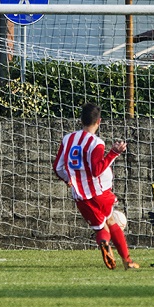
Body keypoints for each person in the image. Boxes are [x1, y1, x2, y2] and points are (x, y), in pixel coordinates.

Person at [52, 102, 139, 270]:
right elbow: (96, 170)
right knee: (112, 221)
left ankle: (104, 243)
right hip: (99, 192)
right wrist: (114, 153)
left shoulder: (68, 138)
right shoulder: (96, 142)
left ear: (81, 120)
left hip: (79, 196)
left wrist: (67, 179)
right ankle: (127, 261)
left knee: (100, 228)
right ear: (99, 121)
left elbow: (57, 167)